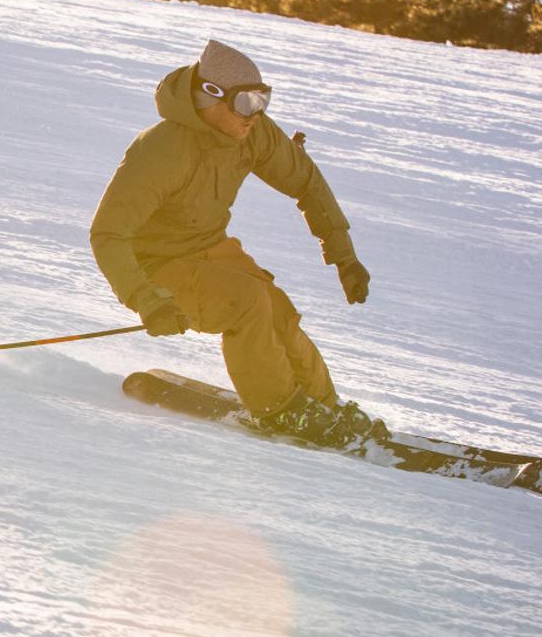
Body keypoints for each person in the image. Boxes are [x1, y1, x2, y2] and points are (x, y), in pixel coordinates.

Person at [90, 39, 384, 447]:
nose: (256, 114)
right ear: (208, 96)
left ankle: (323, 406)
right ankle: (281, 411)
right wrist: (147, 298)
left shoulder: (252, 133)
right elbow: (108, 234)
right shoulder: (161, 149)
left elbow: (306, 182)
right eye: (245, 102)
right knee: (247, 302)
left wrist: (344, 257)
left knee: (276, 307)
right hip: (156, 266)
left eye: (263, 100)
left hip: (210, 248)